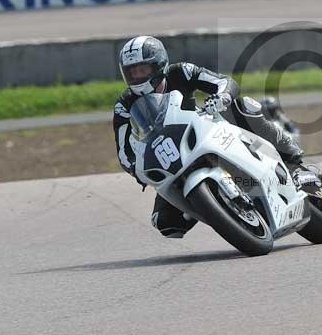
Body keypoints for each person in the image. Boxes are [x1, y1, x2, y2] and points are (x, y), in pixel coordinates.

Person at [113, 35, 305, 239]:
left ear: (158, 65)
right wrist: (136, 170)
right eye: (132, 72)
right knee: (165, 222)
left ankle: (293, 162)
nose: (137, 76)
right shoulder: (124, 104)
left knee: (241, 107)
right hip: (172, 159)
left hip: (206, 130)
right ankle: (217, 208)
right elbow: (124, 152)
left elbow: (224, 82)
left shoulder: (181, 72)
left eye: (142, 69)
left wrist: (222, 96)